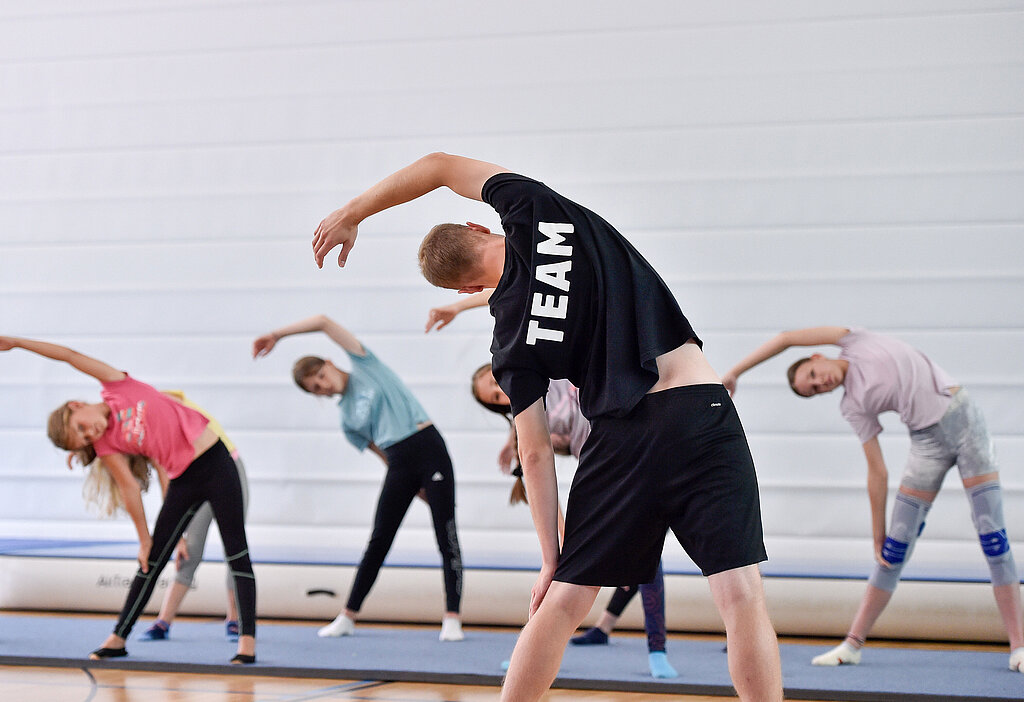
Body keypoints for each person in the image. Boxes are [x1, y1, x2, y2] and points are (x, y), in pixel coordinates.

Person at [311, 152, 782, 701]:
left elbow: (532, 453)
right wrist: (352, 215)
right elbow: (439, 166)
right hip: (697, 406)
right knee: (741, 595)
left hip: (621, 436)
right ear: (476, 224)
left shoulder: (510, 344)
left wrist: (550, 558)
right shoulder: (535, 209)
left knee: (562, 604)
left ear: (465, 291)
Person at [723, 326, 1024, 671]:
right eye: (815, 390)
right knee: (891, 553)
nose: (821, 383)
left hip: (966, 423)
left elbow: (787, 338)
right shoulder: (853, 406)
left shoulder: (856, 341)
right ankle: (852, 644)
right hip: (927, 444)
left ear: (818, 356)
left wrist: (736, 371)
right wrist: (878, 534)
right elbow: (877, 472)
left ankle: (1018, 647)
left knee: (993, 538)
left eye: (813, 375)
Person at [0, 336, 256, 664]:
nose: (90, 434)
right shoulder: (107, 443)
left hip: (217, 463)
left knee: (237, 552)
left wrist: (18, 344)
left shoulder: (117, 386)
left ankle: (246, 642)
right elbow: (130, 489)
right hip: (183, 480)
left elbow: (68, 355)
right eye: (84, 439)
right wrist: (144, 539)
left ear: (77, 405)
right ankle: (118, 638)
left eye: (82, 428)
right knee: (150, 561)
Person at [251, 314, 465, 642]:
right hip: (398, 462)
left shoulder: (366, 365)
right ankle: (348, 615)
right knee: (379, 538)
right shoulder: (347, 420)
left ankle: (452, 616)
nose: (323, 386)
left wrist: (276, 334)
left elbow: (323, 321)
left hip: (428, 447)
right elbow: (382, 454)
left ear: (330, 362)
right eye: (316, 388)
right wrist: (409, 484)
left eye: (321, 376)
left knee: (445, 532)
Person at [470, 364, 677, 679]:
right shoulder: (528, 422)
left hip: (635, 447)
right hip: (604, 468)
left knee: (645, 554)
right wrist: (565, 536)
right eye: (496, 398)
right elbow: (541, 478)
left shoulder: (547, 373)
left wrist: (457, 309)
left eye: (495, 383)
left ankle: (655, 649)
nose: (502, 393)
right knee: (582, 569)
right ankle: (536, 648)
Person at [139, 391, 250, 643]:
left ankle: (235, 619)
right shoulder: (148, 429)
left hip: (227, 467)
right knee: (190, 549)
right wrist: (178, 535)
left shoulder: (164, 406)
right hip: (192, 476)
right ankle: (163, 621)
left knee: (234, 547)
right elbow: (166, 479)